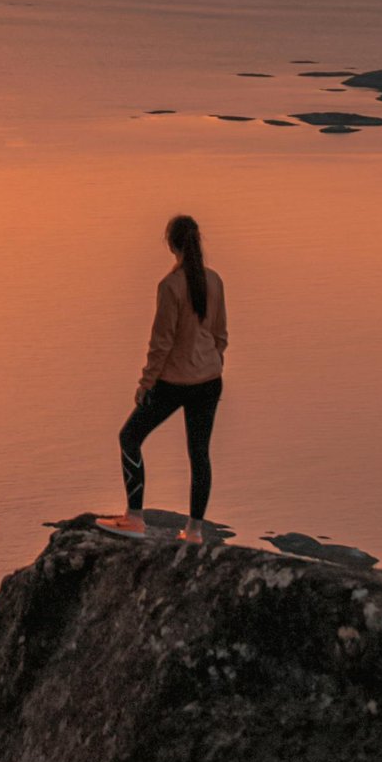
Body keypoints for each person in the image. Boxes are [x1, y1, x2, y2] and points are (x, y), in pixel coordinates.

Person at [115, 214, 227, 540]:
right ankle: (193, 531)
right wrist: (210, 362)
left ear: (171, 244)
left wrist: (145, 384)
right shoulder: (215, 280)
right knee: (200, 454)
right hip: (209, 380)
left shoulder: (170, 287)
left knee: (129, 438)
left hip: (174, 383)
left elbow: (161, 343)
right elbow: (221, 335)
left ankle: (134, 518)